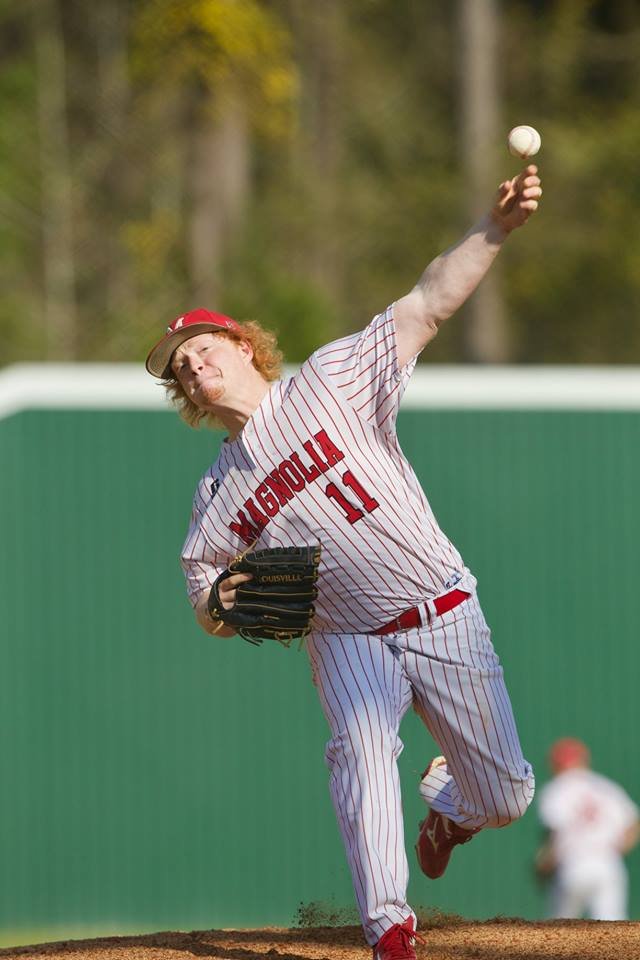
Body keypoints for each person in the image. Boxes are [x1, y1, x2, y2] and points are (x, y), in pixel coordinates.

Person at [145, 163, 542, 960]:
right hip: (346, 635)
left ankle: (451, 808)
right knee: (358, 751)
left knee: (506, 796)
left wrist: (493, 229)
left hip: (440, 607)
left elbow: (429, 302)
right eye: (179, 367)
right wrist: (222, 606)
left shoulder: (332, 379)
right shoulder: (219, 494)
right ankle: (389, 928)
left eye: (202, 347)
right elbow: (201, 590)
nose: (192, 365)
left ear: (243, 343)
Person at [535, 737, 639, 921]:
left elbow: (555, 835)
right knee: (614, 928)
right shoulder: (604, 786)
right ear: (583, 760)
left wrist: (545, 863)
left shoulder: (555, 790)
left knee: (559, 930)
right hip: (608, 863)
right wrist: (615, 849)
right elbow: (633, 823)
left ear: (556, 765)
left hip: (573, 864)